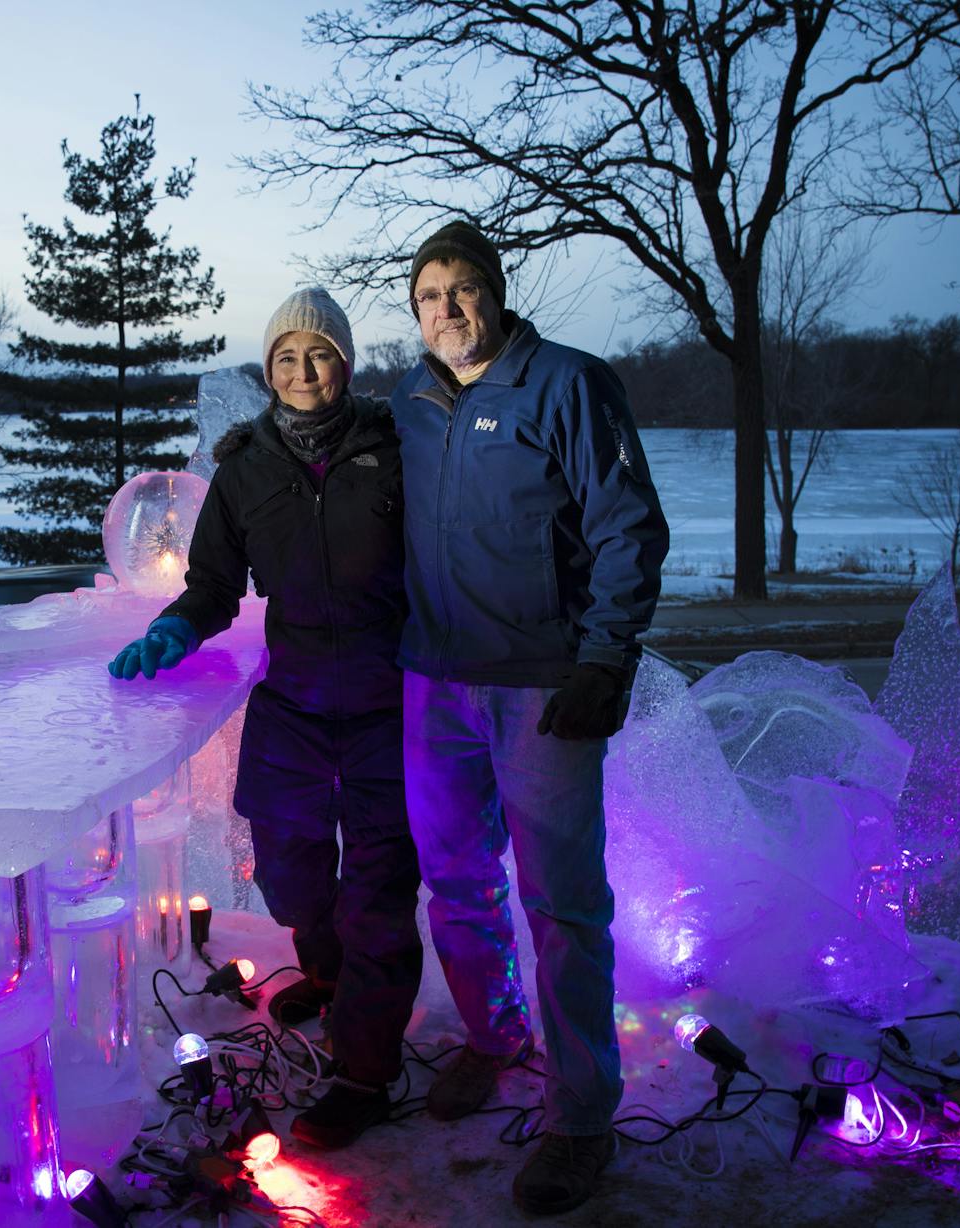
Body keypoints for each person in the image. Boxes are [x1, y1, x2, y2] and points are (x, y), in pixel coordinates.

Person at [391, 222, 669, 1215]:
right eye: (429, 296)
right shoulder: (408, 406)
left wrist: (604, 657)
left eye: (463, 290)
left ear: (497, 295)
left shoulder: (566, 383)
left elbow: (625, 526)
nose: (447, 310)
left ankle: (581, 1113)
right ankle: (493, 1034)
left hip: (541, 687)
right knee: (455, 880)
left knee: (560, 903)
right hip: (435, 683)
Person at [108, 288, 422, 1150]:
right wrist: (174, 626)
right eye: (287, 356)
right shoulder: (246, 467)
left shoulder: (397, 450)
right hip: (293, 701)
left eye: (319, 355)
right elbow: (213, 583)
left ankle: (365, 1072)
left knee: (380, 895)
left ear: (345, 365)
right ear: (270, 369)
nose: (303, 371)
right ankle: (328, 975)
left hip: (385, 700)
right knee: (288, 875)